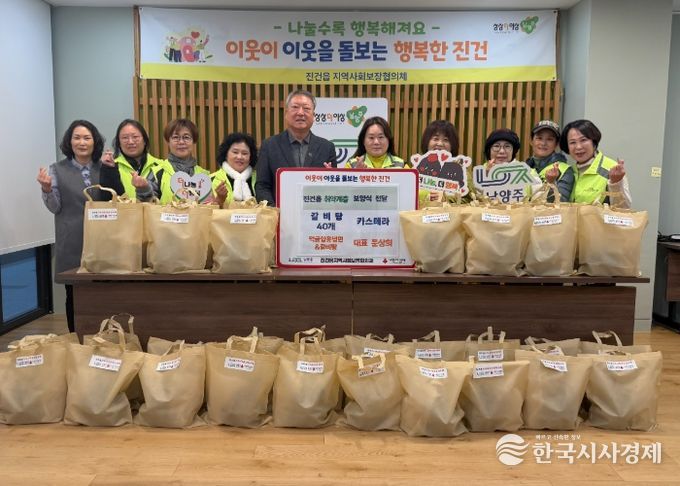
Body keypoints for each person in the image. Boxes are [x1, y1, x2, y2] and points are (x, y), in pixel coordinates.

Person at [37, 119, 106, 332]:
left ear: (95, 142)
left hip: (104, 241)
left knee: (103, 293)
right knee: (74, 294)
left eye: (87, 138)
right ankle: (75, 338)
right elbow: (55, 207)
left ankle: (103, 339)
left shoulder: (106, 168)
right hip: (72, 240)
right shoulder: (56, 169)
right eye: (77, 138)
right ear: (69, 142)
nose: (82, 142)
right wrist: (47, 189)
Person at [255, 90, 337, 205]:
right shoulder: (269, 145)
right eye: (295, 107)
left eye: (306, 108)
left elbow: (333, 188)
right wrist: (274, 211)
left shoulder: (327, 147)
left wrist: (330, 179)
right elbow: (262, 186)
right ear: (286, 113)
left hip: (315, 212)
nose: (300, 113)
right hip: (279, 212)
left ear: (314, 116)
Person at [134, 118, 210, 203]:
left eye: (186, 137)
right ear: (168, 141)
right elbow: (147, 204)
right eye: (176, 137)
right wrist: (143, 190)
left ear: (194, 141)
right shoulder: (157, 172)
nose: (181, 142)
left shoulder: (204, 176)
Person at [560, 119, 631, 208]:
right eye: (572, 142)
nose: (578, 147)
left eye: (583, 140)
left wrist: (616, 184)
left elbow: (624, 208)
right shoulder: (568, 171)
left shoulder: (611, 169)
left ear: (594, 142)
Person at [99, 119, 163, 199]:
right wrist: (108, 170)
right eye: (125, 138)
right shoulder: (111, 167)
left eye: (135, 137)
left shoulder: (160, 166)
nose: (130, 142)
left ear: (144, 140)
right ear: (119, 143)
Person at [525, 120, 575, 203]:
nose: (543, 143)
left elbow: (561, 203)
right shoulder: (523, 168)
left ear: (556, 144)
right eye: (539, 138)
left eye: (549, 139)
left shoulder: (565, 170)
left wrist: (551, 183)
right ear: (531, 141)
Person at [211, 132, 258, 207]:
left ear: (251, 157)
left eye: (244, 153)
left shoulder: (260, 179)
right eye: (235, 152)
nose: (239, 157)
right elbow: (205, 211)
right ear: (226, 154)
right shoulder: (211, 179)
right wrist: (219, 200)